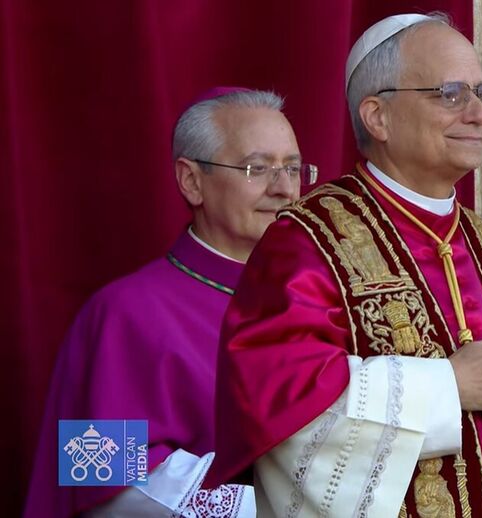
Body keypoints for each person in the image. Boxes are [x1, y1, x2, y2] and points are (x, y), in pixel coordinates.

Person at [207, 13, 482, 518]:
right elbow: (284, 406)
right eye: (450, 94)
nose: (478, 114)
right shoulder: (307, 242)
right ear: (378, 116)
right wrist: (448, 386)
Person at [24, 87, 313, 517]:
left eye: (293, 169)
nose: (285, 189)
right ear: (191, 181)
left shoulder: (319, 296)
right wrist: (283, 507)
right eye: (258, 168)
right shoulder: (124, 313)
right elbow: (102, 474)